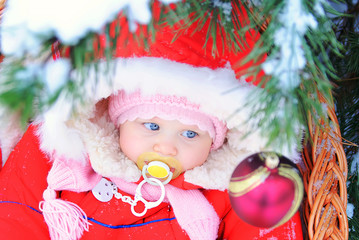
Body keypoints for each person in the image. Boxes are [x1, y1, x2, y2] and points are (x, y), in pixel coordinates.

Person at [0, 6, 304, 240]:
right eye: (151, 126)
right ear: (116, 121)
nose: (166, 146)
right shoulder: (69, 155)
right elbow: (16, 209)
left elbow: (266, 229)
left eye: (190, 133)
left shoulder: (226, 186)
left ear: (216, 142)